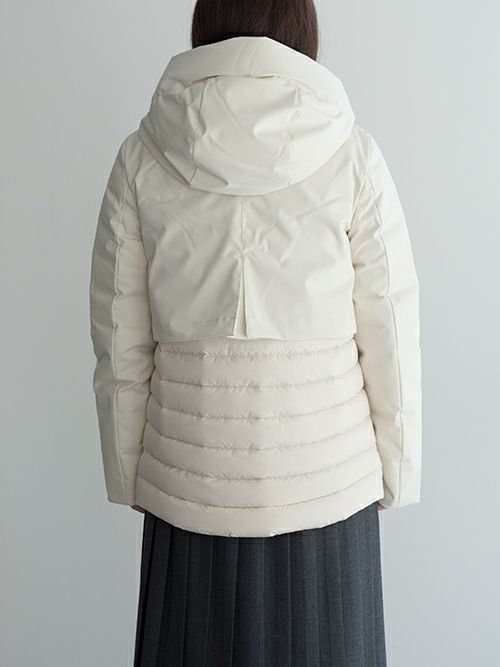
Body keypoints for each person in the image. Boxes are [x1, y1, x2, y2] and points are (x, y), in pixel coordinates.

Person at [89, 0, 422, 664]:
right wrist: (397, 467)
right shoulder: (351, 151)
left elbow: (119, 336)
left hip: (189, 489)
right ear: (302, 26)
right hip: (327, 487)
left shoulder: (141, 156)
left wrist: (130, 472)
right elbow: (389, 324)